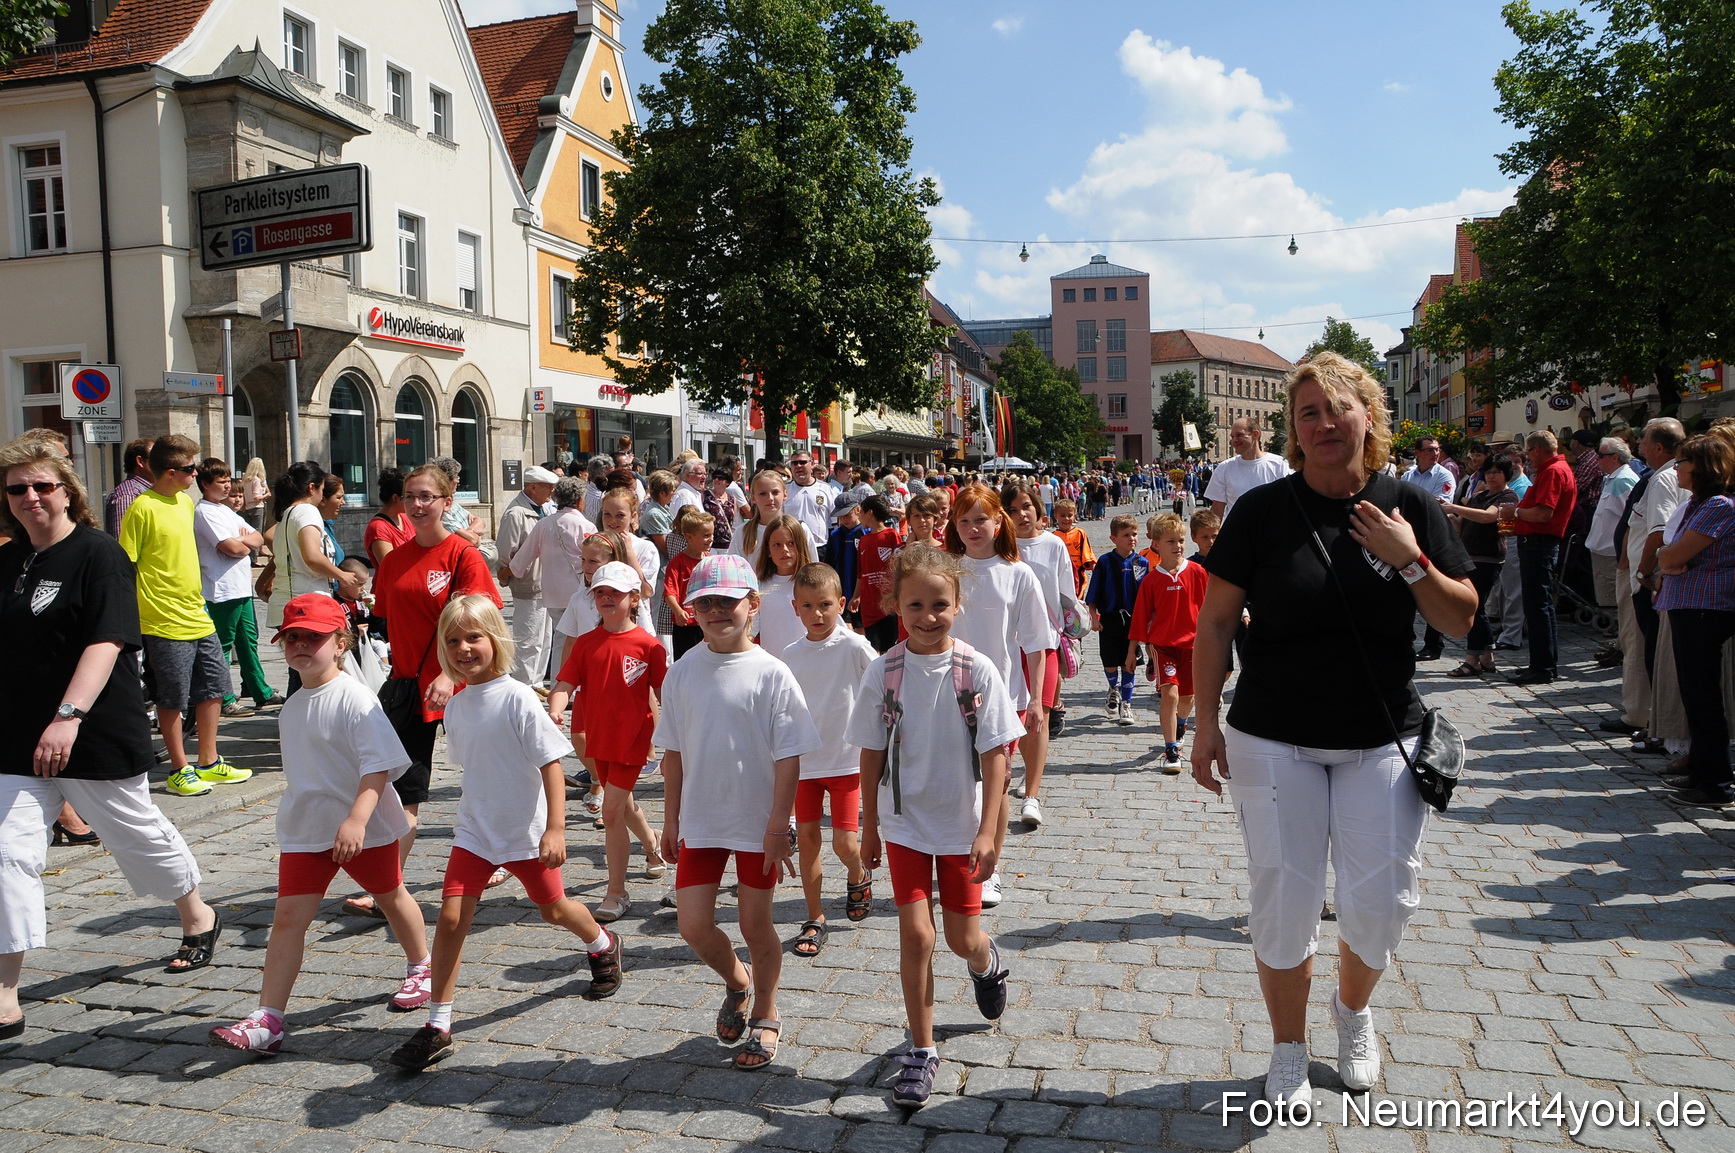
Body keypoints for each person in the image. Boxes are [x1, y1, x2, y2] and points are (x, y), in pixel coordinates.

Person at [1191, 350, 1477, 1109]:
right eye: (1306, 412)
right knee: (1282, 900)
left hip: (1381, 732)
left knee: (1382, 900)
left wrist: (1410, 562)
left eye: (1336, 407)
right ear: (1292, 429)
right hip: (1270, 732)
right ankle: (1287, 1046)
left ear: (1369, 416)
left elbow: (1460, 616)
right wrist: (1201, 722)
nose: (1321, 423)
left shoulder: (1409, 503)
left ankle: (1352, 1011)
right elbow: (1216, 621)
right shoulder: (1261, 511)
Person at [0, 440, 225, 1039]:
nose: (30, 498)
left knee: (137, 834)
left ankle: (197, 913)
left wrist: (67, 716)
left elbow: (108, 641)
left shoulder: (99, 554)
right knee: (6, 854)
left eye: (41, 486)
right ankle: (4, 994)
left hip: (92, 728)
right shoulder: (7, 561)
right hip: (16, 736)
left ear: (67, 490)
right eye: (17, 488)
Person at [388, 596, 623, 1071]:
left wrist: (556, 828)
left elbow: (551, 765)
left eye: (473, 637)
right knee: (451, 920)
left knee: (553, 909)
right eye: (452, 641)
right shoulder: (455, 707)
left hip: (525, 831)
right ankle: (438, 1024)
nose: (463, 648)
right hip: (476, 830)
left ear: (496, 639)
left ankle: (602, 943)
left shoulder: (517, 697)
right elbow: (476, 768)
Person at [208, 595, 431, 1056]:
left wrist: (356, 819)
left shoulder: (355, 698)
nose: (301, 645)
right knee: (287, 919)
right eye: (293, 637)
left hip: (361, 828)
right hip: (308, 830)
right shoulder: (292, 706)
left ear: (341, 642)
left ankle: (422, 966)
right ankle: (268, 1018)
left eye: (314, 637)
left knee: (390, 896)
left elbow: (380, 766)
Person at [853, 544, 1022, 1107]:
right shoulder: (884, 671)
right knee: (918, 935)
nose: (929, 617)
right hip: (904, 824)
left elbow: (997, 753)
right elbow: (871, 752)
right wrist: (869, 826)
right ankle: (921, 1050)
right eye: (916, 605)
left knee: (960, 938)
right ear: (895, 606)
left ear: (958, 603)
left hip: (960, 824)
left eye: (940, 604)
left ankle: (987, 962)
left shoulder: (976, 670)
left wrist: (990, 832)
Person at [654, 553, 823, 1071]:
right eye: (704, 603)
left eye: (726, 602)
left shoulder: (772, 673)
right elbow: (674, 754)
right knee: (693, 925)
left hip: (757, 822)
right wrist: (671, 818)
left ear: (752, 605)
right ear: (692, 611)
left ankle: (767, 1011)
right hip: (702, 820)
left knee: (755, 924)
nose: (715, 611)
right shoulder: (682, 673)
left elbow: (789, 756)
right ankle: (738, 982)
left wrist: (780, 825)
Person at [356, 464, 501, 918]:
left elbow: (478, 624)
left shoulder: (462, 555)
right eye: (409, 497)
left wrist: (448, 673)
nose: (417, 506)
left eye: (426, 497)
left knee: (483, 778)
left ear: (445, 502)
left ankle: (503, 852)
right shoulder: (394, 559)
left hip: (460, 687)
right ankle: (388, 889)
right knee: (402, 789)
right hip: (405, 690)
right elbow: (385, 617)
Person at [118, 435, 251, 797]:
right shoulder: (142, 508)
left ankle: (208, 760)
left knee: (214, 688)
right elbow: (126, 565)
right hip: (162, 619)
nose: (197, 473)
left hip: (197, 612)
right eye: (192, 468)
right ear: (173, 472)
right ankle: (179, 767)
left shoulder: (183, 502)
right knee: (172, 695)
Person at [945, 485, 1054, 909]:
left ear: (998, 522)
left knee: (997, 786)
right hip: (948, 694)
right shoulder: (948, 570)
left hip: (1005, 697)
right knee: (957, 784)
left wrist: (1038, 703)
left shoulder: (1018, 572)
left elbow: (1036, 643)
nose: (973, 529)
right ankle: (955, 856)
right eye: (964, 521)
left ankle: (990, 867)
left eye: (980, 520)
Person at [548, 563, 669, 921]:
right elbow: (565, 684)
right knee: (624, 805)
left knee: (612, 810)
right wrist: (555, 709)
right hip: (599, 741)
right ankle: (651, 845)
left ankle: (616, 892)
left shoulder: (650, 646)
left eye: (614, 592)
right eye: (600, 592)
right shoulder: (586, 643)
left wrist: (671, 743)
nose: (605, 598)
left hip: (633, 740)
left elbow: (665, 695)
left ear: (634, 598)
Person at [780, 562, 877, 959]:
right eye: (807, 606)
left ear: (841, 604)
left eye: (824, 605)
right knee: (807, 841)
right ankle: (815, 915)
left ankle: (858, 875)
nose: (816, 614)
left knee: (843, 843)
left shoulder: (853, 645)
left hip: (846, 761)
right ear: (795, 608)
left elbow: (881, 681)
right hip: (804, 764)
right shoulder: (789, 654)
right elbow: (782, 707)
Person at [1653, 435, 1735, 807]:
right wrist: (1667, 556)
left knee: (1702, 696)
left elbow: (1673, 556)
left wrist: (1667, 557)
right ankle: (1704, 770)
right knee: (1694, 693)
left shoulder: (1719, 504)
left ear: (1700, 466)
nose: (1676, 467)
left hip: (1705, 606)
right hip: (1690, 602)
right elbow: (1669, 554)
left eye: (1682, 461)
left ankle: (1716, 782)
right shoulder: (1701, 503)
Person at [1001, 478, 1072, 819]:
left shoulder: (1054, 544)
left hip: (1044, 642)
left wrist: (1070, 629)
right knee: (1011, 716)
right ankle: (1014, 770)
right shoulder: (1000, 546)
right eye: (1012, 510)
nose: (1021, 515)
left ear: (1037, 508)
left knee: (1039, 715)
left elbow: (1066, 595)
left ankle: (1032, 795)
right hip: (1007, 644)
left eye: (1026, 507)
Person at [193, 458, 275, 715]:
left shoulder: (225, 510)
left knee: (248, 641)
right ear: (206, 484)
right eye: (221, 482)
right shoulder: (204, 511)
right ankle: (224, 698)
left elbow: (258, 537)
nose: (227, 487)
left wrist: (242, 541)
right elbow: (231, 548)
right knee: (222, 646)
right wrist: (242, 542)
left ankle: (259, 690)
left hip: (242, 587)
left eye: (228, 481)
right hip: (222, 589)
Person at [1128, 512, 1207, 773]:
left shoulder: (1197, 572)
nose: (1178, 546)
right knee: (1170, 694)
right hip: (1163, 646)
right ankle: (1171, 748)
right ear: (1157, 545)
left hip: (1194, 645)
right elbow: (1140, 617)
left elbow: (1210, 608)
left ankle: (1182, 722)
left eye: (1181, 540)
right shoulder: (1151, 580)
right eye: (1171, 541)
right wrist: (1132, 651)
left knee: (1187, 696)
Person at [1508, 431, 1577, 685]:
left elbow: (1543, 514)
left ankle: (1542, 667)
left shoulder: (1553, 471)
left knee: (1538, 607)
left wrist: (1514, 512)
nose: (1528, 457)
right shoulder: (1556, 469)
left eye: (1528, 452)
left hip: (1539, 543)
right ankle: (1542, 663)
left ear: (1536, 449)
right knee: (1540, 606)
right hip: (1538, 543)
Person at [1441, 458, 1520, 677]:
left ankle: (1472, 659)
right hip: (1469, 554)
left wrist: (1454, 507)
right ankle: (1486, 656)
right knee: (1476, 607)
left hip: (1489, 556)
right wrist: (1446, 513)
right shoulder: (1479, 496)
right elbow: (1461, 525)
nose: (1492, 476)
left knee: (1473, 607)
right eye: (1489, 472)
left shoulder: (1507, 496)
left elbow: (1488, 518)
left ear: (1506, 474)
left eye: (1496, 472)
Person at [494, 465, 559, 687]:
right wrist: (507, 576)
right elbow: (505, 551)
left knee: (545, 638)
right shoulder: (516, 513)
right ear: (532, 487)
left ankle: (538, 681)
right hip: (528, 583)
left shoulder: (546, 508)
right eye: (547, 487)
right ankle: (523, 683)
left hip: (547, 581)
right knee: (528, 637)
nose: (551, 491)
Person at [508, 476, 596, 637]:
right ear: (579, 500)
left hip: (553, 595)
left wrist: (509, 572)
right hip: (579, 591)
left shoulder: (543, 524)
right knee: (580, 639)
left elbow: (519, 562)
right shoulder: (586, 526)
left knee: (561, 639)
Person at [1084, 515, 1149, 726]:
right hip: (1110, 620)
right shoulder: (1104, 562)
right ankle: (1113, 688)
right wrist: (1094, 617)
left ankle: (1127, 704)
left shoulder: (1142, 562)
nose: (1131, 538)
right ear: (1113, 538)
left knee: (1129, 663)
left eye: (1134, 534)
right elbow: (1093, 593)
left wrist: (1148, 620)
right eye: (1126, 535)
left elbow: (1147, 594)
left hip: (1134, 620)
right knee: (1110, 662)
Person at [1586, 440, 1641, 645]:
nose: (1597, 459)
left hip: (1613, 551)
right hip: (1604, 549)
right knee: (1609, 599)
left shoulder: (1624, 480)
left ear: (1615, 457)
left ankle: (1621, 639)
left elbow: (1632, 519)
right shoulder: (1612, 478)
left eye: (1600, 455)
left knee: (1617, 600)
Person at [755, 514, 812, 660]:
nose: (785, 549)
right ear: (768, 550)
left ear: (801, 545)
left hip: (808, 663)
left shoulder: (812, 584)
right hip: (773, 665)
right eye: (777, 545)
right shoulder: (759, 586)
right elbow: (750, 629)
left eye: (791, 543)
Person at [852, 496, 902, 653]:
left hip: (889, 606)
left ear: (870, 513)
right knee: (872, 650)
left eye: (861, 512)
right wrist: (856, 596)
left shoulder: (892, 535)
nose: (859, 516)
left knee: (891, 650)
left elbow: (900, 567)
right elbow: (861, 573)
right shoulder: (863, 540)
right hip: (869, 606)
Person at [665, 506, 714, 659]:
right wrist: (678, 611)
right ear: (689, 537)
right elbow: (669, 592)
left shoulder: (710, 560)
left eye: (712, 534)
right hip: (686, 625)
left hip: (707, 621)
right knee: (686, 660)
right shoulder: (677, 563)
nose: (711, 539)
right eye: (706, 535)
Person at [364, 468, 413, 570]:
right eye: (408, 497)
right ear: (395, 498)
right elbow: (390, 567)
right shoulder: (378, 527)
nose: (413, 502)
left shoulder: (405, 518)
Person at [104, 438, 153, 538]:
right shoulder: (127, 495)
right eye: (157, 458)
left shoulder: (152, 490)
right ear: (140, 461)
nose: (163, 463)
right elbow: (122, 542)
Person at [784, 450, 835, 543]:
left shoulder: (825, 489)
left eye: (802, 462)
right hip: (793, 546)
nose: (798, 466)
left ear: (811, 464)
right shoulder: (784, 490)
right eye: (794, 463)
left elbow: (835, 519)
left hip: (820, 547)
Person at [1051, 499, 1094, 595]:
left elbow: (1087, 555)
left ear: (1075, 515)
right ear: (1055, 516)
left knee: (1076, 605)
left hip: (1077, 576)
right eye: (1062, 515)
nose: (1066, 519)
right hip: (1059, 576)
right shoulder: (1052, 537)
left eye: (1069, 515)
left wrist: (1096, 571)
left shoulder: (1080, 533)